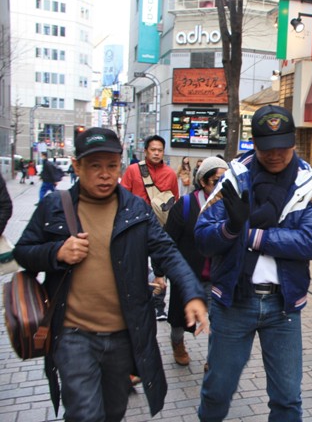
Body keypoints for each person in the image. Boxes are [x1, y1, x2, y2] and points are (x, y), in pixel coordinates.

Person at [13, 127, 208, 421]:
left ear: (120, 166)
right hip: (73, 335)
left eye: (111, 166)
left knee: (115, 409)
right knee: (85, 412)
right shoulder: (55, 205)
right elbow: (23, 251)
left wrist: (192, 293)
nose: (105, 175)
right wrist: (56, 252)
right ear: (77, 165)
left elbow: (168, 251)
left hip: (123, 335)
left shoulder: (136, 209)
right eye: (95, 166)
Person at [195, 105, 312, 421]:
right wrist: (230, 228)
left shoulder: (309, 186)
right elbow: (202, 236)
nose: (275, 154)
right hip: (233, 302)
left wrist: (251, 236)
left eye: (283, 146)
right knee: (217, 391)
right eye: (267, 147)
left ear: (293, 141)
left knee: (287, 399)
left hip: (283, 306)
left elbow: (308, 242)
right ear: (254, 143)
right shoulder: (233, 179)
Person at [164, 156, 228, 366]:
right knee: (179, 318)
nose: (221, 186)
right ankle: (177, 344)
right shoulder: (185, 205)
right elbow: (167, 242)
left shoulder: (231, 205)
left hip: (217, 276)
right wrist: (160, 273)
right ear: (202, 181)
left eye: (226, 181)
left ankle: (213, 358)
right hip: (187, 274)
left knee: (218, 320)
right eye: (216, 181)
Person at [121, 135, 179, 321]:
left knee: (160, 266)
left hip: (160, 227)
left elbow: (174, 201)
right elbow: (122, 196)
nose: (156, 153)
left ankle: (159, 306)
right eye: (153, 150)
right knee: (134, 265)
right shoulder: (133, 170)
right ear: (145, 151)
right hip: (135, 225)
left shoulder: (170, 174)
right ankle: (135, 302)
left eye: (160, 150)